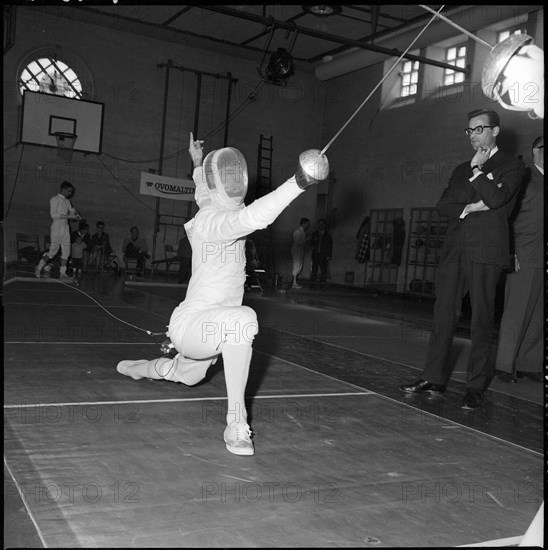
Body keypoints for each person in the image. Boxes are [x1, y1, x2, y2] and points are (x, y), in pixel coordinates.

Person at [116, 133, 328, 455]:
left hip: (210, 330)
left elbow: (202, 190)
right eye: (226, 175)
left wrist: (197, 163)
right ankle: (236, 424)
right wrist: (299, 182)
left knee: (184, 375)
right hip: (192, 324)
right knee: (244, 321)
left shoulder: (212, 202)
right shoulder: (213, 222)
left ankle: (139, 368)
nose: (232, 181)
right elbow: (256, 217)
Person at [399, 109, 525, 409]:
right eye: (469, 131)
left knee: (481, 319)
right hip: (454, 248)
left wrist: (479, 172)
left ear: (495, 131)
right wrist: (469, 207)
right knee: (443, 316)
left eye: (479, 129)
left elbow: (496, 201)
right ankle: (434, 377)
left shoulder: (513, 166)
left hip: (486, 249)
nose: (473, 136)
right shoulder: (459, 169)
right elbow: (443, 205)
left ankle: (476, 386)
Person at [495, 136, 543, 383]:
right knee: (516, 313)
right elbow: (506, 217)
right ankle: (504, 365)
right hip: (523, 256)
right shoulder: (523, 178)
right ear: (537, 151)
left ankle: (529, 364)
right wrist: (510, 251)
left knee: (537, 314)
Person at [35, 180, 81, 280]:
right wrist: (69, 216)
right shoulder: (54, 199)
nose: (70, 193)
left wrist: (76, 215)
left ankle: (62, 274)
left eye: (71, 192)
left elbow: (72, 211)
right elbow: (53, 215)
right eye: (69, 191)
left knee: (66, 252)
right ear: (63, 189)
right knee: (53, 251)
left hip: (65, 228)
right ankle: (39, 267)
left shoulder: (67, 201)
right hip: (56, 228)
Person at [310, 219, 333, 290]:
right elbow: (311, 243)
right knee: (314, 271)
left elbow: (330, 246)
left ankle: (322, 286)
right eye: (319, 224)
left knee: (323, 271)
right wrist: (313, 248)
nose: (321, 226)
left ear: (325, 225)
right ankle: (312, 286)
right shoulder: (315, 234)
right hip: (315, 255)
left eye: (322, 224)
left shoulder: (328, 235)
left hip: (324, 255)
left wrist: (329, 255)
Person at [291, 217, 310, 289]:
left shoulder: (302, 231)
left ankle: (294, 282)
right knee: (296, 266)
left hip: (299, 251)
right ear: (304, 224)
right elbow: (298, 242)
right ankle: (294, 283)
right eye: (307, 224)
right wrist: (306, 240)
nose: (308, 225)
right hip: (297, 251)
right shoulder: (298, 232)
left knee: (299, 266)